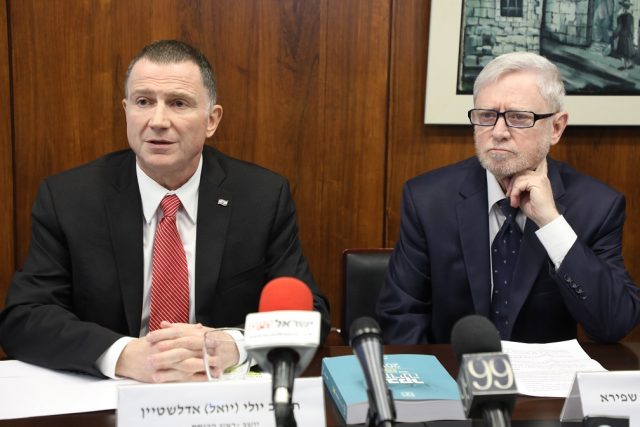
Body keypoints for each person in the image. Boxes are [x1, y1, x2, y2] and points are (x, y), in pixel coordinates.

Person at [0, 40, 330, 382]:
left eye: (178, 103)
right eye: (144, 102)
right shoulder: (69, 198)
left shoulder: (261, 197)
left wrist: (235, 345)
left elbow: (310, 316)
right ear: (126, 110)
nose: (158, 121)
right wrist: (122, 355)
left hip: (218, 394)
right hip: (113, 393)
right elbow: (24, 317)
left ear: (211, 120)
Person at [377, 51, 640, 344]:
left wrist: (552, 224)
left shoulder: (597, 206)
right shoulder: (428, 200)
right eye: (487, 116)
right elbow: (401, 315)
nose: (498, 132)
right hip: (453, 369)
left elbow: (615, 323)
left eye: (518, 117)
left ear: (556, 127)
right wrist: (434, 372)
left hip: (545, 374)